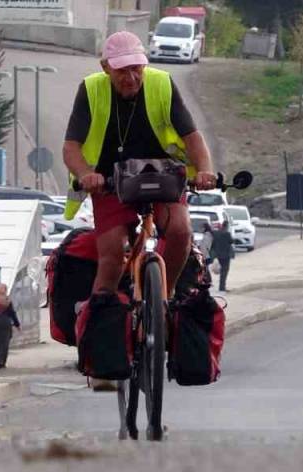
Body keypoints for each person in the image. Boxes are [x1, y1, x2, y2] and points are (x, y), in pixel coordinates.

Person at [63, 30, 218, 303]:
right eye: (122, 71)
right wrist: (87, 175)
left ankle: (163, 298)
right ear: (105, 68)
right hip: (111, 183)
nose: (131, 78)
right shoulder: (90, 90)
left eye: (137, 69)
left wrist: (205, 170)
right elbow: (71, 147)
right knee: (111, 253)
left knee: (181, 232)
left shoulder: (162, 84)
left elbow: (193, 138)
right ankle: (102, 315)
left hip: (163, 177)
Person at [210, 221, 234, 291]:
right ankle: (222, 287)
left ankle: (221, 286)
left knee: (221, 271)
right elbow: (231, 241)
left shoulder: (216, 233)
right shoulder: (227, 234)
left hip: (218, 255)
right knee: (224, 271)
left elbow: (213, 243)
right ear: (226, 226)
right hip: (226, 255)